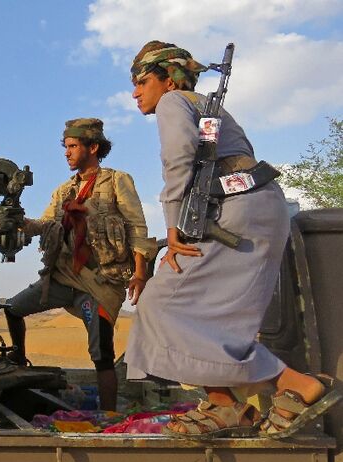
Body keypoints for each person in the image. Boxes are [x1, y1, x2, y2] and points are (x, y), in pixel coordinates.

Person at [125, 40, 340, 439]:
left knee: (161, 301)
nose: (135, 91)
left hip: (236, 210)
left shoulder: (175, 104)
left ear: (167, 80)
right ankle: (224, 405)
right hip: (257, 207)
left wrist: (173, 227)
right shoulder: (208, 107)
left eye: (141, 81)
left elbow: (179, 159)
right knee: (208, 313)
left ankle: (295, 384)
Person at [5, 118, 154, 411]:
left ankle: (109, 415)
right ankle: (19, 360)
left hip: (99, 283)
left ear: (93, 147)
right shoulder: (64, 192)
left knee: (101, 352)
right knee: (11, 309)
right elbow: (45, 223)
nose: (67, 152)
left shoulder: (116, 181)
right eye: (66, 147)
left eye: (73, 146)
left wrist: (139, 273)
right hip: (62, 278)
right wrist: (19, 222)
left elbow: (137, 227)